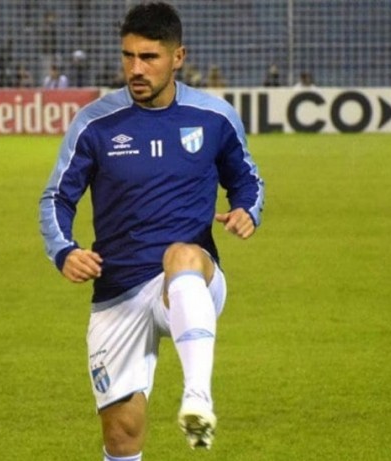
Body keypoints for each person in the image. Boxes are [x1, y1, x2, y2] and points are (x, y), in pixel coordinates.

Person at [39, 3, 264, 460]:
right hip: (118, 288)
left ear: (178, 57)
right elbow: (56, 197)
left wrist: (247, 211)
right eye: (128, 56)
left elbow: (248, 180)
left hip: (191, 280)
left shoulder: (214, 117)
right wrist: (65, 251)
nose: (136, 69)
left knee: (182, 253)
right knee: (121, 435)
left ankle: (197, 397)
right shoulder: (95, 123)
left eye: (149, 57)